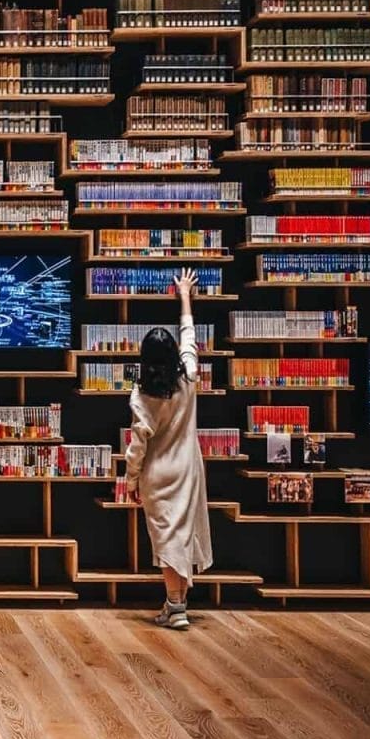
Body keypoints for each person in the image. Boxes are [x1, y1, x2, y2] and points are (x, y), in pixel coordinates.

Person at [124, 267, 211, 631]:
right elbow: (189, 338)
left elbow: (137, 445)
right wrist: (185, 296)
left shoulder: (142, 394)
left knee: (165, 537)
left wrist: (130, 480)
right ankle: (176, 603)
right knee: (182, 533)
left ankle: (176, 606)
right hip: (189, 467)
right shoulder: (189, 378)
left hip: (158, 472)